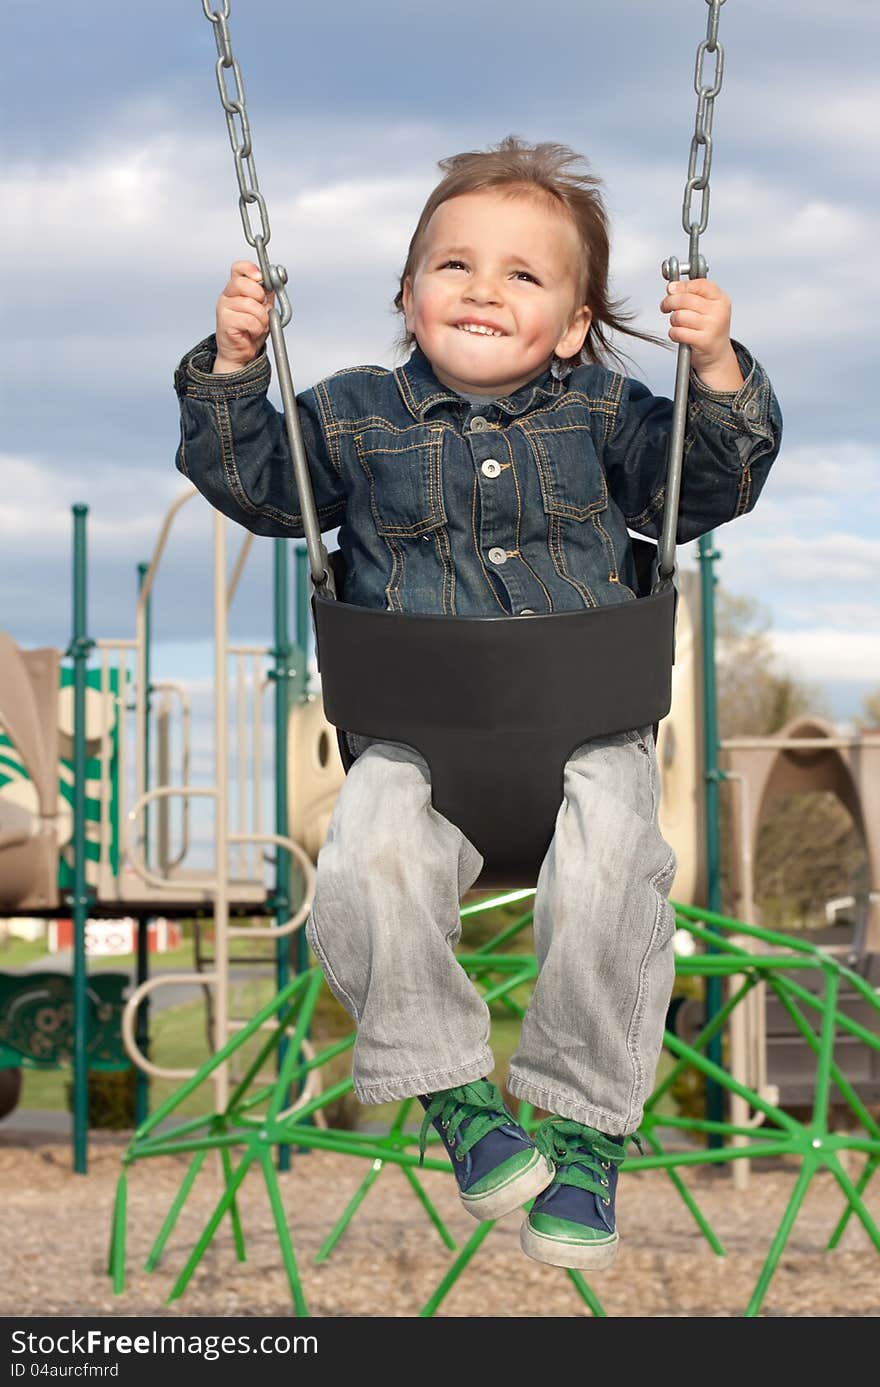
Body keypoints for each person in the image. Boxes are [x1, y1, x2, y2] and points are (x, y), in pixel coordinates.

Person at [173, 136, 782, 1270]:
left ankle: (588, 1126)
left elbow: (710, 485)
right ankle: (454, 1095)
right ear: (407, 296)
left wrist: (719, 374)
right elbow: (256, 483)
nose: (483, 291)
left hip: (584, 731)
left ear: (574, 322)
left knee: (615, 874)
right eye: (453, 266)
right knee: (366, 860)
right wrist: (235, 361)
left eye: (522, 275)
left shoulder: (608, 415)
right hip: (414, 737)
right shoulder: (354, 416)